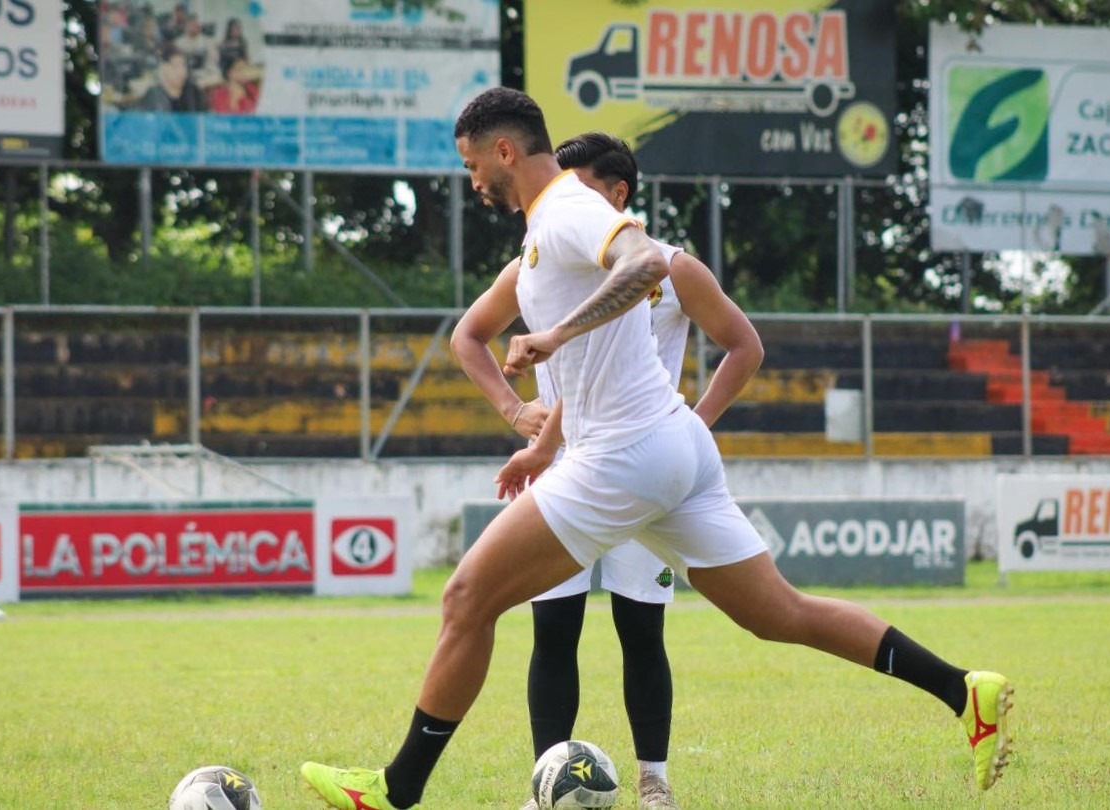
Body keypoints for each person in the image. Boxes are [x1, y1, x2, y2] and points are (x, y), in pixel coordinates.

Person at [300, 87, 1014, 810]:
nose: (472, 180)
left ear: (504, 151)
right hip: (671, 444)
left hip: (624, 455)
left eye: (472, 164)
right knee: (780, 613)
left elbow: (644, 262)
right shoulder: (544, 231)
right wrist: (539, 443)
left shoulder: (569, 209)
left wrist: (556, 334)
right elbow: (589, 376)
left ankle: (394, 790)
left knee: (465, 598)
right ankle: (964, 691)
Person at [449, 131, 764, 810]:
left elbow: (743, 346)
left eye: (581, 184)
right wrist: (518, 417)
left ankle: (653, 779)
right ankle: (546, 784)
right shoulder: (543, 255)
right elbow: (469, 335)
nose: (564, 198)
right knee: (552, 632)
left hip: (640, 464)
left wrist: (693, 422)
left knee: (639, 631)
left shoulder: (667, 267)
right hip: (566, 469)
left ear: (617, 194)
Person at [138, 44, 204, 113]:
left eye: (183, 66)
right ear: (164, 68)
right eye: (175, 66)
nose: (181, 72)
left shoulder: (193, 92)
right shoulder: (153, 96)